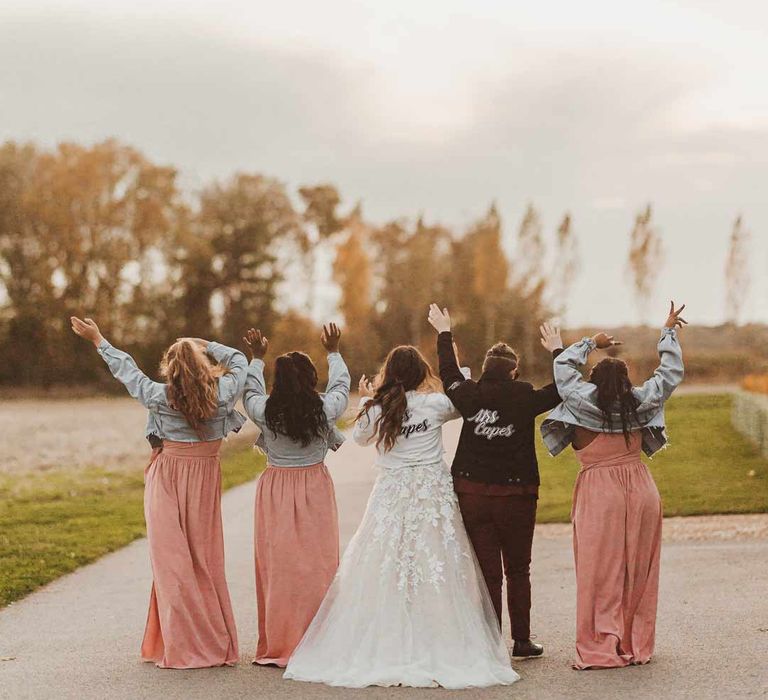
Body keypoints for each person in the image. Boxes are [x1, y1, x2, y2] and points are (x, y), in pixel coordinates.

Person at [284, 346, 519, 689]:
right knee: (434, 560)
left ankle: (389, 635)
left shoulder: (378, 409)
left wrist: (367, 400)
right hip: (429, 490)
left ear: (389, 372)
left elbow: (361, 439)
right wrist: (458, 365)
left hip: (392, 491)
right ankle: (437, 636)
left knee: (388, 562)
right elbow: (464, 401)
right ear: (421, 371)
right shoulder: (435, 404)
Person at [70, 316, 246, 669]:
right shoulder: (224, 393)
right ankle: (206, 641)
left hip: (167, 478)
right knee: (203, 560)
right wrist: (207, 344)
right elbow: (240, 360)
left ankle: (187, 644)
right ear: (202, 366)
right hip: (204, 479)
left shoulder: (157, 395)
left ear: (170, 369)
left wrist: (98, 339)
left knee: (173, 565)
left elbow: (128, 371)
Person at [541, 302, 686, 670]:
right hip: (640, 489)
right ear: (625, 382)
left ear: (593, 381)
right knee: (638, 568)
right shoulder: (641, 401)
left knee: (598, 571)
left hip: (598, 492)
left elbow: (562, 367)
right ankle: (634, 643)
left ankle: (601, 644)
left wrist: (591, 341)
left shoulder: (580, 401)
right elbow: (670, 372)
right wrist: (667, 332)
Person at [426, 304, 564, 658]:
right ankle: (521, 640)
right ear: (514, 372)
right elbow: (563, 389)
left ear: (486, 371)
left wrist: (444, 332)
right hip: (517, 494)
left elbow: (448, 372)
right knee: (518, 568)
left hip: (473, 492)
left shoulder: (469, 394)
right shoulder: (524, 397)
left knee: (488, 571)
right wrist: (558, 350)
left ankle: (489, 641)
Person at [242, 323, 350, 668]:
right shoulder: (324, 409)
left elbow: (249, 392)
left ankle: (283, 639)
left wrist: (256, 359)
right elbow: (342, 388)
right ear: (310, 377)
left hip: (276, 488)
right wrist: (334, 352)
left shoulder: (265, 411)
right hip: (314, 486)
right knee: (319, 564)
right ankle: (319, 639)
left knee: (279, 566)